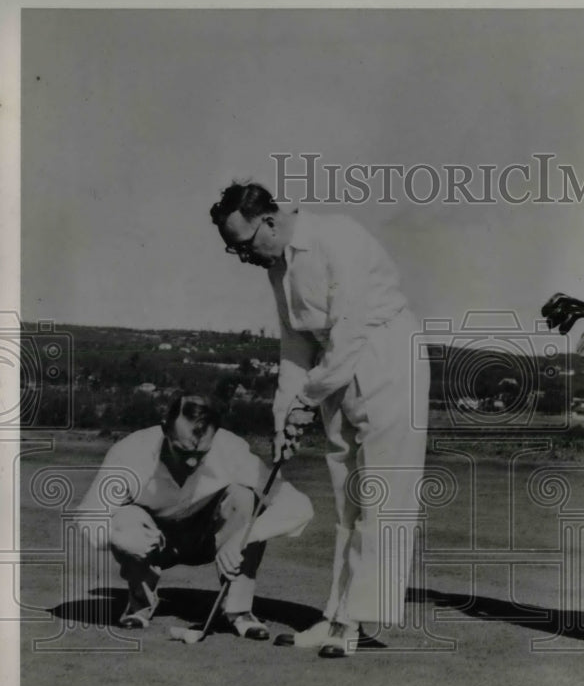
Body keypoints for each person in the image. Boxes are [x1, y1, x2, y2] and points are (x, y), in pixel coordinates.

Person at [209, 182, 429, 658]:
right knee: (348, 496)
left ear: (268, 221)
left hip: (387, 357)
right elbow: (295, 344)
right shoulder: (278, 265)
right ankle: (335, 616)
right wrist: (283, 416)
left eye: (244, 245)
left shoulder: (337, 237)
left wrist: (307, 399)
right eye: (234, 250)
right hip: (337, 368)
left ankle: (353, 623)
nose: (244, 257)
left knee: (381, 496)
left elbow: (349, 332)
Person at [78, 392, 314, 638]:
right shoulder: (130, 452)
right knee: (123, 520)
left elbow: (299, 506)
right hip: (152, 541)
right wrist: (117, 538)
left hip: (209, 540)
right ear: (164, 429)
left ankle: (237, 610)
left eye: (201, 454)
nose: (191, 463)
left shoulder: (231, 449)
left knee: (244, 499)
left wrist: (244, 536)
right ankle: (139, 605)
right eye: (182, 451)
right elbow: (89, 516)